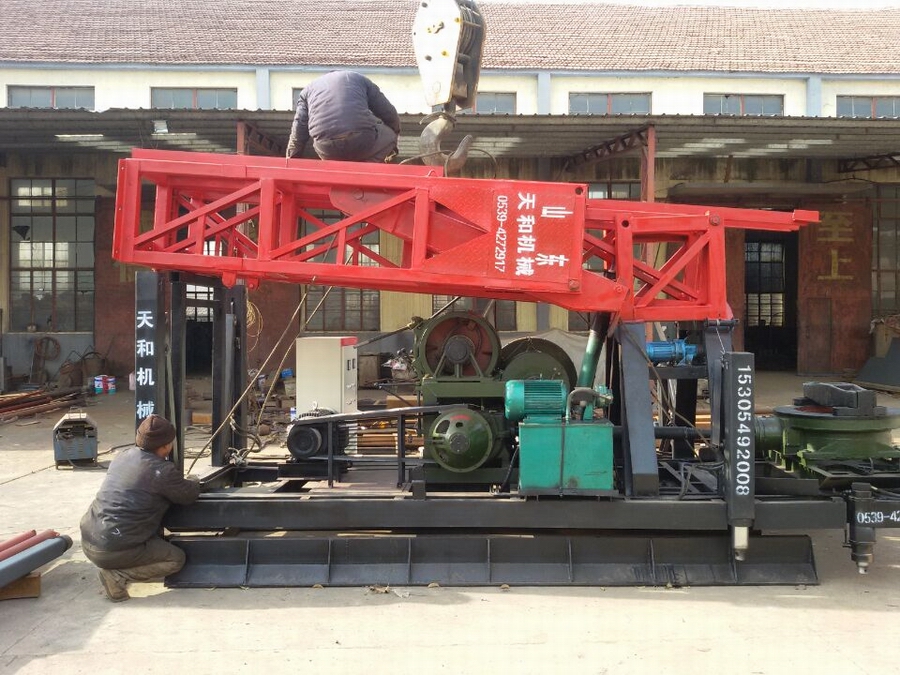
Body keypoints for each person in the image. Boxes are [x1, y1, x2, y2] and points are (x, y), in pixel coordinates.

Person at [80, 414, 201, 602]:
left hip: (89, 540)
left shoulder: (122, 456)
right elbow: (189, 495)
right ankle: (117, 575)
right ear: (166, 446)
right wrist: (194, 481)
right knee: (175, 559)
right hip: (111, 549)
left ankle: (118, 564)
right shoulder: (163, 471)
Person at [286, 70, 401, 163]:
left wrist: (290, 161)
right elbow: (388, 112)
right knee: (390, 134)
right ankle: (367, 168)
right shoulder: (359, 79)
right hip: (361, 141)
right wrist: (395, 131)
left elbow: (298, 130)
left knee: (319, 142)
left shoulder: (307, 91)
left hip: (326, 149)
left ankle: (339, 171)